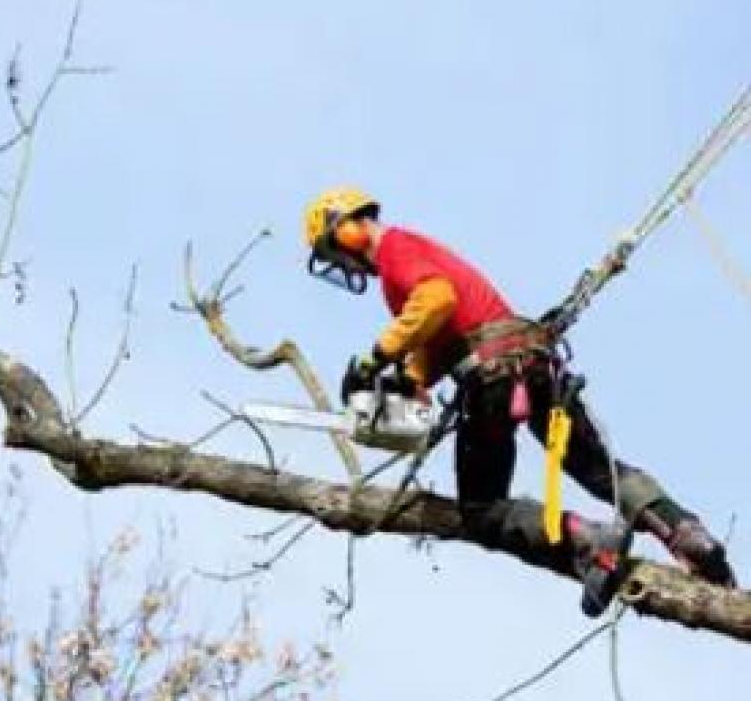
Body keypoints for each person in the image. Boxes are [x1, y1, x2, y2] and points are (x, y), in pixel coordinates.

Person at [303, 187, 735, 613]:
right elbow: (437, 337)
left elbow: (436, 300)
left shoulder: (395, 250)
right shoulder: (414, 253)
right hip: (531, 361)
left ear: (345, 229)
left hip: (493, 376)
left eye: (332, 250)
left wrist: (374, 358)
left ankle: (588, 542)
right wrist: (408, 379)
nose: (342, 264)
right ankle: (686, 534)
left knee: (482, 511)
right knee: (593, 467)